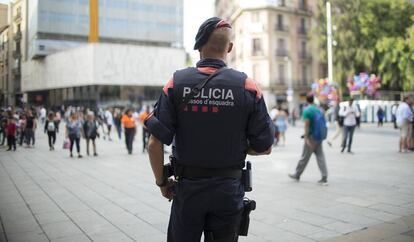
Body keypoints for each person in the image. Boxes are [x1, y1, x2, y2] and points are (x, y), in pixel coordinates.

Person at [145, 17, 274, 242]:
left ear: (198, 46)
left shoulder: (176, 83)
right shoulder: (248, 87)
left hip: (188, 191)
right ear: (230, 48)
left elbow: (154, 144)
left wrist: (163, 183)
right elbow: (265, 146)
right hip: (229, 192)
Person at [289, 94, 328, 185]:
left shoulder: (307, 110)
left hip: (311, 137)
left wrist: (306, 138)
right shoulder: (318, 110)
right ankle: (324, 175)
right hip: (319, 136)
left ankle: (297, 174)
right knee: (320, 156)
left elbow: (307, 125)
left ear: (307, 100)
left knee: (304, 156)